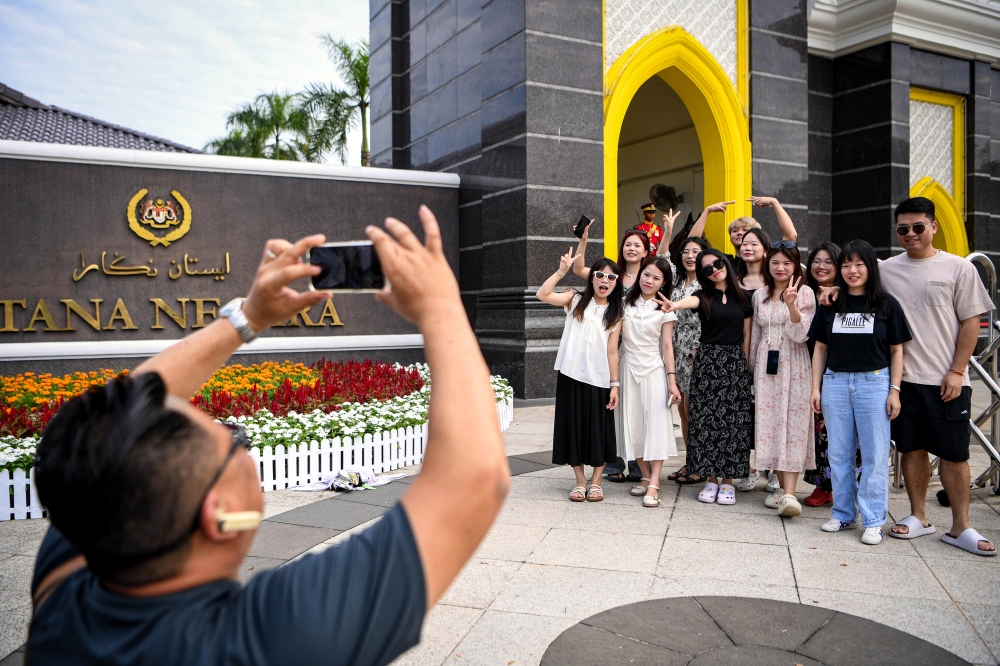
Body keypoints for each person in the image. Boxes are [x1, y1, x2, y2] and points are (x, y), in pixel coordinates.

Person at [27, 206, 511, 664]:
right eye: (231, 437)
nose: (238, 439)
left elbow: (125, 412)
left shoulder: (72, 581)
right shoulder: (268, 641)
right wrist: (443, 308)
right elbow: (471, 481)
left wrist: (249, 316)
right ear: (220, 517)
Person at [880, 197, 997, 556]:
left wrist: (958, 370)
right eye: (903, 229)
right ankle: (918, 516)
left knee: (955, 454)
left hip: (947, 379)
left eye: (918, 227)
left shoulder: (958, 268)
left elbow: (970, 323)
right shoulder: (886, 270)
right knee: (911, 449)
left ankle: (960, 525)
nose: (911, 234)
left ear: (933, 226)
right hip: (903, 380)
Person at [809, 240, 910, 545]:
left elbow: (897, 351)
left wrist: (895, 390)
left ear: (870, 268)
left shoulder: (886, 304)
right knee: (838, 454)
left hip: (874, 383)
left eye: (859, 265)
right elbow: (820, 348)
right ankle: (842, 514)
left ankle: (874, 519)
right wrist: (816, 387)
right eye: (846, 265)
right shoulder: (831, 304)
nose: (852, 271)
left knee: (874, 455)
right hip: (836, 383)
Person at [572, 214, 679, 483]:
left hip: (648, 355)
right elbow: (581, 271)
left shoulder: (653, 283)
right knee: (623, 412)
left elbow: (663, 261)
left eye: (637, 245)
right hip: (617, 347)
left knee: (649, 416)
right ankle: (617, 465)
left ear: (646, 252)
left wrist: (667, 232)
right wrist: (583, 240)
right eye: (627, 244)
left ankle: (643, 474)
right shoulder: (615, 276)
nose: (631, 248)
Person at [663, 250, 754, 505]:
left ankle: (728, 482)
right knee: (706, 420)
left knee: (733, 423)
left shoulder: (744, 297)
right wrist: (675, 305)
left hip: (734, 362)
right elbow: (690, 302)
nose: (714, 269)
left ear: (725, 263)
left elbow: (746, 336)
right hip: (708, 361)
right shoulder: (702, 296)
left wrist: (744, 367)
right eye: (707, 269)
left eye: (717, 263)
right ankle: (712, 480)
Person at [537, 250, 624, 502]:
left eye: (611, 277)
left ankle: (596, 481)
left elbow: (612, 352)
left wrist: (614, 385)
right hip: (571, 374)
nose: (604, 281)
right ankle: (579, 480)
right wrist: (562, 271)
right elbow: (541, 295)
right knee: (573, 427)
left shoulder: (616, 312)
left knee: (600, 430)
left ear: (616, 283)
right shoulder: (574, 300)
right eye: (599, 275)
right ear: (592, 278)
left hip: (599, 378)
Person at [749, 242, 816, 517]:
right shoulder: (759, 294)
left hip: (795, 363)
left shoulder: (805, 293)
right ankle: (780, 491)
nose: (780, 267)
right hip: (766, 365)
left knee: (793, 424)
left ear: (795, 265)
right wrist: (751, 371)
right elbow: (755, 336)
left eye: (787, 263)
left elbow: (802, 334)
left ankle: (789, 493)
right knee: (771, 424)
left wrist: (792, 306)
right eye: (775, 262)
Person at [610, 257, 682, 507]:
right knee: (632, 424)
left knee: (656, 424)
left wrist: (672, 381)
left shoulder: (665, 309)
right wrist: (614, 381)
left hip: (654, 370)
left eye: (656, 278)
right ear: (639, 275)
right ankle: (644, 475)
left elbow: (667, 347)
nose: (649, 281)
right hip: (628, 368)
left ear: (664, 283)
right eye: (646, 275)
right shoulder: (622, 305)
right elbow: (615, 344)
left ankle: (654, 482)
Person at [803, 242, 854, 508]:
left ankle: (844, 488)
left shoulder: (849, 295)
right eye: (816, 261)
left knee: (841, 434)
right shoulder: (804, 292)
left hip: (844, 371)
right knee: (819, 433)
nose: (821, 267)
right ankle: (823, 486)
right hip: (812, 369)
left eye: (828, 262)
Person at [666, 236, 710, 485]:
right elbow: (662, 259)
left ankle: (700, 464)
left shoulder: (708, 283)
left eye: (696, 251)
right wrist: (669, 230)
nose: (690, 255)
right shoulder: (678, 282)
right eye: (686, 251)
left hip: (696, 352)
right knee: (683, 411)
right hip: (676, 352)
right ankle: (692, 460)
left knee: (694, 410)